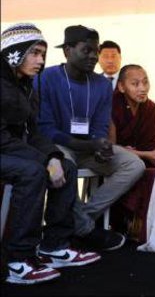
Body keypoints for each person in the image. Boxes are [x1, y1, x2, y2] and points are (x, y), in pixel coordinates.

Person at [1, 23, 100, 285]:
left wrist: (53, 156)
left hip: (12, 150)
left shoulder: (27, 86)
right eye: (33, 53)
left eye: (43, 54)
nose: (40, 61)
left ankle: (54, 245)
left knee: (65, 165)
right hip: (4, 150)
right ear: (15, 52)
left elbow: (33, 132)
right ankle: (18, 260)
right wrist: (44, 160)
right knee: (32, 172)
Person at [34, 25, 146, 251]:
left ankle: (78, 218)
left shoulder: (102, 85)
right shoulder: (45, 78)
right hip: (58, 145)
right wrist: (89, 143)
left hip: (88, 147)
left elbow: (100, 126)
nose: (94, 56)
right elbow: (46, 129)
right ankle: (85, 229)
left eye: (96, 50)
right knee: (65, 164)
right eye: (87, 50)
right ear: (67, 51)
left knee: (134, 165)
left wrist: (101, 144)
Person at [108, 64, 155, 243]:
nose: (142, 88)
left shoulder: (150, 108)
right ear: (121, 87)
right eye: (135, 84)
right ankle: (129, 223)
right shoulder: (111, 105)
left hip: (144, 156)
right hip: (117, 160)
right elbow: (112, 146)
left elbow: (154, 139)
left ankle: (152, 224)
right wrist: (146, 155)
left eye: (145, 82)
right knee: (139, 169)